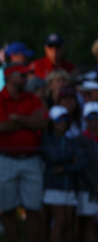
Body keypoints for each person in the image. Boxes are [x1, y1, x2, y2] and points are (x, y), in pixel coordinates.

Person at [0, 63, 48, 242]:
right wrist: (29, 121)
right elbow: (1, 126)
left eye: (25, 75)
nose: (25, 78)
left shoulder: (33, 98)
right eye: (21, 75)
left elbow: (43, 122)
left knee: (34, 208)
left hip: (31, 159)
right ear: (9, 77)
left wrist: (18, 118)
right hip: (3, 159)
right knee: (7, 209)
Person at [41, 105, 85, 242]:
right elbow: (53, 158)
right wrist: (71, 161)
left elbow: (81, 162)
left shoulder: (70, 140)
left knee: (68, 224)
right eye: (59, 120)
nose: (62, 123)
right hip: (54, 185)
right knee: (60, 221)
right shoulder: (47, 139)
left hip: (69, 185)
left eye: (65, 120)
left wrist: (65, 168)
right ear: (52, 122)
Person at [77, 102, 98, 242]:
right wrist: (94, 185)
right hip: (87, 189)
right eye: (91, 118)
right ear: (85, 119)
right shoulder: (81, 139)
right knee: (88, 224)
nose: (95, 121)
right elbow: (83, 166)